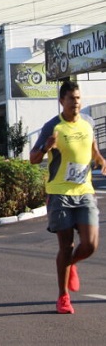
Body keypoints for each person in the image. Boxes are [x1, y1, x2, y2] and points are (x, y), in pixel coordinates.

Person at [29, 80, 106, 315]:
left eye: (79, 98)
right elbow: (33, 158)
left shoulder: (89, 122)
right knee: (66, 245)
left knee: (91, 244)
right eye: (72, 98)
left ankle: (70, 265)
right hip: (59, 193)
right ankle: (63, 296)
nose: (76, 103)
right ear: (61, 101)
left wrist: (101, 160)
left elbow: (92, 147)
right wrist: (45, 148)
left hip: (84, 192)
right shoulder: (52, 126)